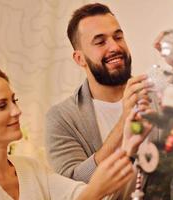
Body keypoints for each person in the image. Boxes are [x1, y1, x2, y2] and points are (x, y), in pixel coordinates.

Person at [0, 65, 146, 200]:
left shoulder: (30, 168)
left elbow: (80, 195)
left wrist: (127, 144)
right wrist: (95, 190)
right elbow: (92, 194)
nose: (16, 111)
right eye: (2, 105)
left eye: (14, 101)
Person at [44, 2, 155, 187]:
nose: (114, 47)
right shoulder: (61, 118)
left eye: (118, 37)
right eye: (100, 42)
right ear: (79, 58)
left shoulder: (157, 97)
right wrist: (123, 123)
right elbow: (71, 186)